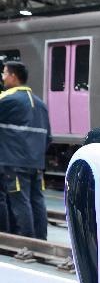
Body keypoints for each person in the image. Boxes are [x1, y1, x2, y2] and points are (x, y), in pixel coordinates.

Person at [0, 61, 51, 239]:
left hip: (14, 162)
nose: (3, 77)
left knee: (19, 201)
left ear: (13, 76)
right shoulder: (40, 104)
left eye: (5, 73)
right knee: (37, 200)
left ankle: (25, 240)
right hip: (36, 162)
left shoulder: (8, 99)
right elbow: (48, 137)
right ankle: (40, 239)